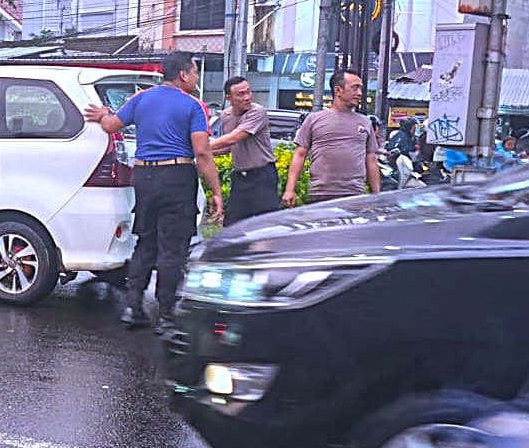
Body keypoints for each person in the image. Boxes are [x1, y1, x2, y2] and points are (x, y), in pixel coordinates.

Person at [85, 51, 223, 333]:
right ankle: (166, 317)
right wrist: (217, 192)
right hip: (176, 176)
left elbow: (112, 124)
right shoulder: (194, 106)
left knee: (146, 242)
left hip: (144, 177)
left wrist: (103, 114)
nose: (197, 78)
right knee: (173, 248)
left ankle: (133, 308)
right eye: (195, 72)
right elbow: (202, 152)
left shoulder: (141, 99)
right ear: (183, 75)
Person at [285, 69, 381, 207]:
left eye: (360, 89)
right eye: (355, 88)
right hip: (320, 194)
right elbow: (300, 155)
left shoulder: (365, 122)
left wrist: (376, 195)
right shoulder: (314, 119)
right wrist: (289, 190)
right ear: (338, 90)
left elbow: (371, 160)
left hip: (355, 195)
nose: (359, 93)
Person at [210, 76, 281, 225]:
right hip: (240, 177)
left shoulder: (257, 112)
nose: (247, 97)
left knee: (265, 225)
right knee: (233, 225)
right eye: (241, 94)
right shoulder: (226, 116)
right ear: (229, 98)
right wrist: (204, 153)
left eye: (249, 92)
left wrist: (201, 147)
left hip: (262, 175)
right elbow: (229, 147)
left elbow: (234, 138)